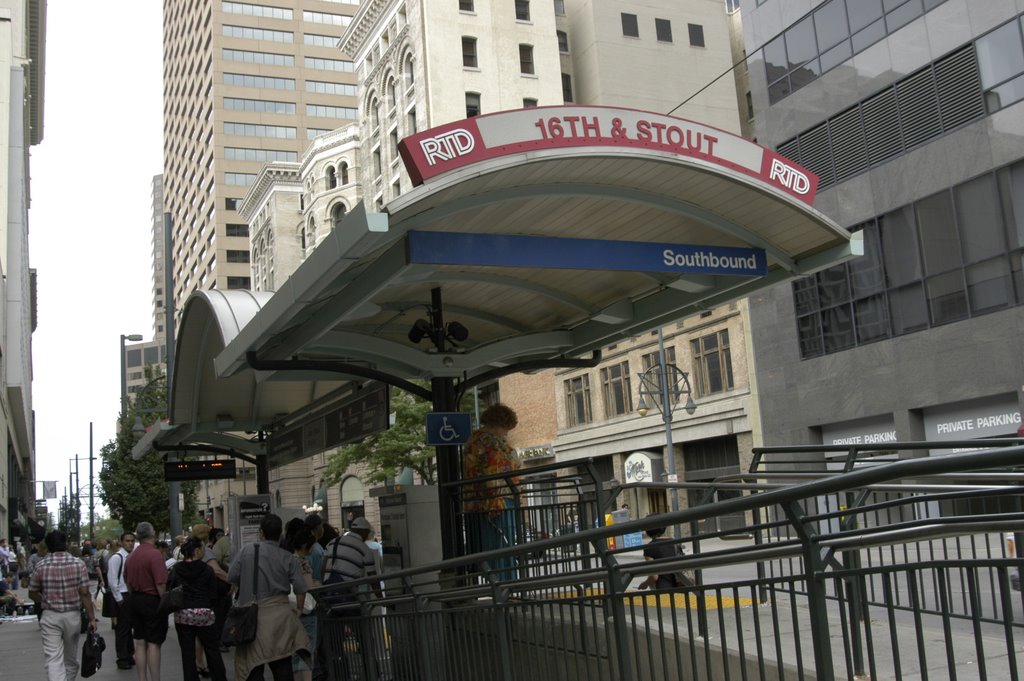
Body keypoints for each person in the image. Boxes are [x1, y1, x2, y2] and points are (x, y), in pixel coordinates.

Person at [227, 513, 310, 681]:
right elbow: (301, 588)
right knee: (282, 664)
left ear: (261, 533)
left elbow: (232, 577)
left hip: (253, 617)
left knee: (253, 666)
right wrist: (299, 609)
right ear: (280, 534)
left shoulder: (247, 551)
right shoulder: (288, 557)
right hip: (280, 617)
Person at [27, 529, 97, 681]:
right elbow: (84, 593)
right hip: (72, 615)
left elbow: (31, 592)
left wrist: (44, 598)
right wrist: (91, 618)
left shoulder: (41, 566)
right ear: (65, 544)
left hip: (50, 616)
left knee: (53, 658)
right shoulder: (79, 564)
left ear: (48, 546)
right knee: (70, 658)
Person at [463, 403, 522, 581]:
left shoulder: (475, 440)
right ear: (499, 424)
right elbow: (497, 468)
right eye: (505, 429)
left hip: (482, 501)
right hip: (497, 500)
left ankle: (500, 586)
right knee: (503, 545)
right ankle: (506, 586)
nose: (506, 434)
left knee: (493, 545)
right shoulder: (489, 442)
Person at [168, 536, 230, 681]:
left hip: (183, 615)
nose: (204, 550)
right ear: (197, 550)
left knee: (187, 653)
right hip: (204, 613)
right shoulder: (207, 569)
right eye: (202, 548)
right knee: (212, 649)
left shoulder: (177, 569)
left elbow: (170, 589)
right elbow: (213, 594)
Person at [124, 521, 169, 681]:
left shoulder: (131, 556)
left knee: (139, 642)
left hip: (135, 599)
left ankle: (142, 678)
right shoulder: (155, 554)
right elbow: (160, 583)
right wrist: (163, 601)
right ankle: (155, 678)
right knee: (153, 643)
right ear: (153, 534)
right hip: (152, 600)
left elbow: (128, 582)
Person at [108, 531, 137, 670]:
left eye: (132, 540)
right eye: (127, 541)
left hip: (130, 595)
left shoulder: (131, 556)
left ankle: (129, 655)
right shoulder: (117, 557)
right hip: (122, 594)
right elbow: (112, 580)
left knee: (128, 627)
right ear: (121, 542)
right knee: (122, 629)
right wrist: (119, 598)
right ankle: (122, 658)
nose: (130, 543)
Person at [637, 526, 693, 591]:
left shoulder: (649, 547)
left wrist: (645, 584)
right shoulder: (675, 542)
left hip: (663, 588)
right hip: (680, 585)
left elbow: (654, 576)